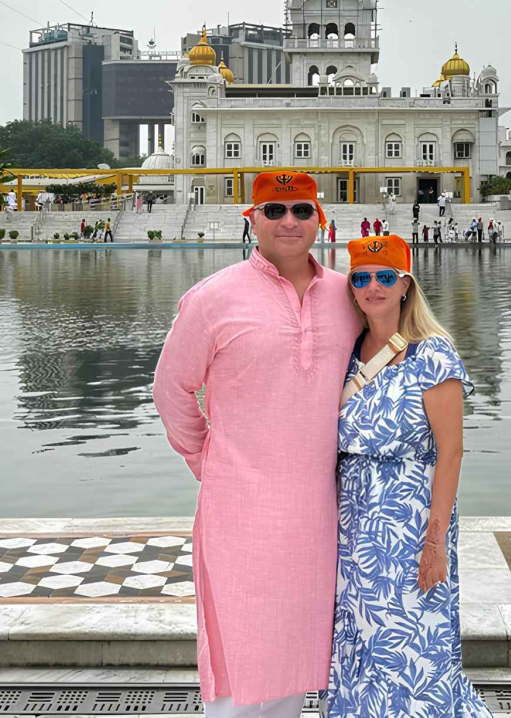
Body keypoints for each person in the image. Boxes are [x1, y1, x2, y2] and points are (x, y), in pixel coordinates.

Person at [155, 171, 360, 717]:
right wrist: (207, 459)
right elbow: (171, 388)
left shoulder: (349, 297)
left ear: (320, 219)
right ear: (252, 220)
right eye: (274, 211)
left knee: (296, 644)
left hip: (319, 508)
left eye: (300, 210)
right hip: (239, 506)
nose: (288, 222)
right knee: (241, 649)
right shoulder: (214, 297)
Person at [328, 235, 487, 716]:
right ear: (352, 288)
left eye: (384, 276)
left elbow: (452, 454)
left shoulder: (432, 355)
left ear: (405, 285)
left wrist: (435, 542)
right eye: (361, 277)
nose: (372, 286)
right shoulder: (345, 355)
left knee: (415, 641)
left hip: (410, 524)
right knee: (360, 641)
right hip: (353, 526)